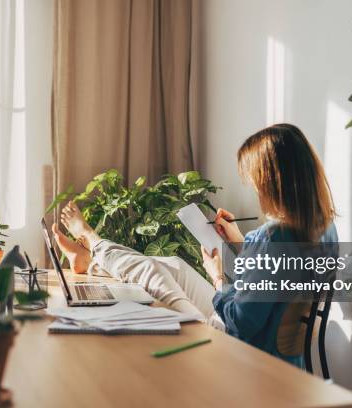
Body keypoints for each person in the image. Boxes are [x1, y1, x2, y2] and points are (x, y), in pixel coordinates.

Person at [51, 123, 337, 367]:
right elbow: (272, 282)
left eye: (254, 182)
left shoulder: (273, 237)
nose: (254, 189)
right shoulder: (324, 228)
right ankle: (91, 258)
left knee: (151, 271)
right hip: (271, 347)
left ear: (272, 182)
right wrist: (239, 241)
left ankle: (92, 240)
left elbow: (241, 322)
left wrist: (217, 277)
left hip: (237, 347)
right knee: (173, 265)